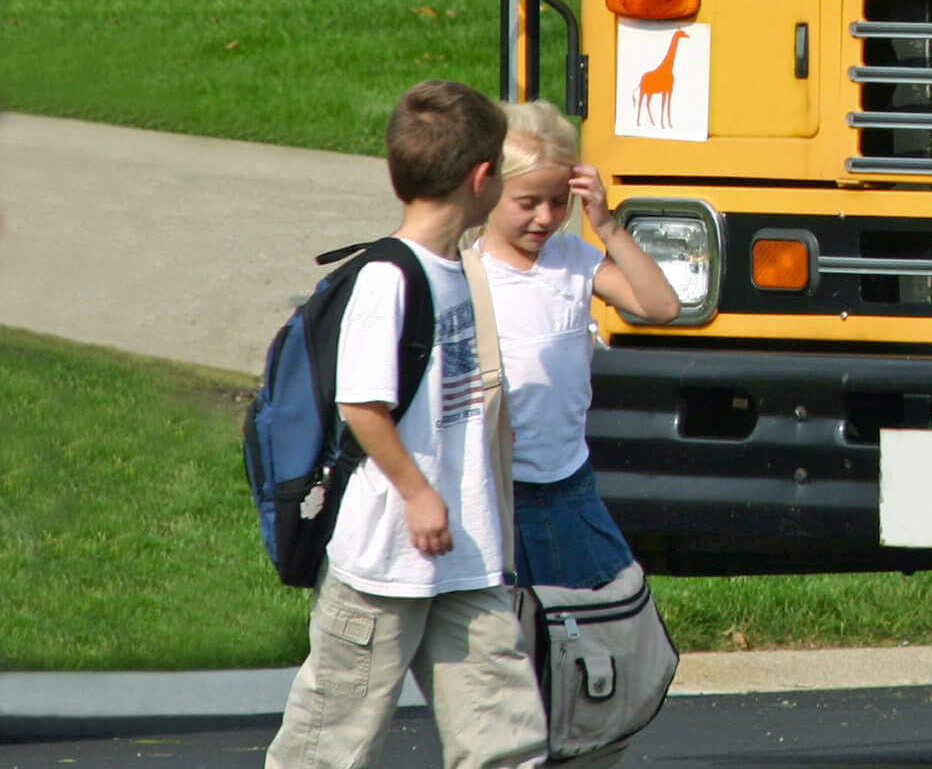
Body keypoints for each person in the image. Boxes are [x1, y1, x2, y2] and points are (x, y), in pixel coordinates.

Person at [267, 80, 548, 769]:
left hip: (465, 558)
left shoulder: (455, 269)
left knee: (506, 742)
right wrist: (419, 491)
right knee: (329, 748)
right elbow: (362, 406)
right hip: (382, 565)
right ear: (482, 179)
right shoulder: (389, 278)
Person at [476, 100, 680, 592]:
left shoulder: (573, 259)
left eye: (558, 201)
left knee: (606, 608)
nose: (546, 217)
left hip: (570, 482)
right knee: (515, 626)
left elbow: (661, 306)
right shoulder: (471, 272)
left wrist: (607, 226)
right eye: (528, 203)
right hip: (501, 489)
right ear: (487, 192)